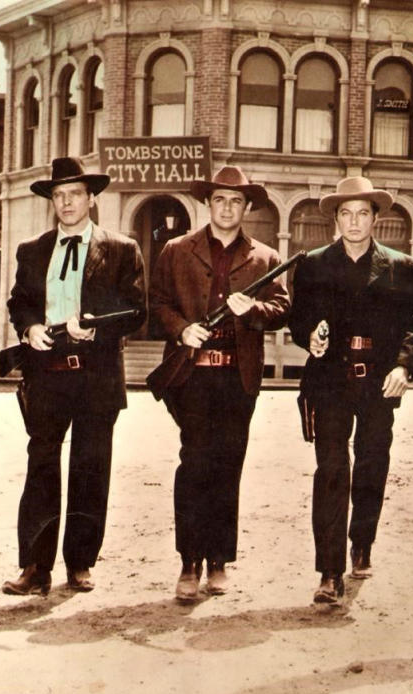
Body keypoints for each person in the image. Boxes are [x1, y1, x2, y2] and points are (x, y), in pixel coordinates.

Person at [2, 157, 146, 595]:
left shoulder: (122, 248)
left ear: (92, 198)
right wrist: (29, 328)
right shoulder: (32, 249)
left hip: (96, 376)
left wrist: (95, 325)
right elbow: (19, 301)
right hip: (46, 374)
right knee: (41, 464)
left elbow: (136, 311)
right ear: (52, 201)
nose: (66, 203)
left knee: (90, 468)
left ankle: (80, 563)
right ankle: (34, 567)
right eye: (58, 196)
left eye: (75, 194)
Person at [149, 166, 289, 602]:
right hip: (191, 373)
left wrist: (253, 312)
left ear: (246, 208)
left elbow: (282, 307)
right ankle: (189, 562)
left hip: (237, 375)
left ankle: (218, 562)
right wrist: (182, 329)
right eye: (219, 200)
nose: (227, 208)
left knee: (229, 465)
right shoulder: (175, 250)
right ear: (207, 204)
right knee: (194, 463)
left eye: (236, 201)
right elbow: (157, 303)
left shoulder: (265, 257)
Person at [289, 176, 413, 604]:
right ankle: (329, 572)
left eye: (362, 213)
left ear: (375, 219)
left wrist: (404, 367)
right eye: (345, 213)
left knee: (371, 465)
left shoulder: (401, 266)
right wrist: (309, 337)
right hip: (329, 379)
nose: (354, 221)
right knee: (331, 469)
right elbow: (298, 318)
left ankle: (361, 542)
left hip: (378, 381)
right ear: (336, 219)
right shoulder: (313, 264)